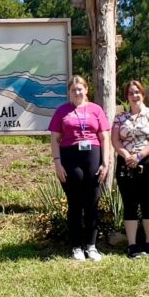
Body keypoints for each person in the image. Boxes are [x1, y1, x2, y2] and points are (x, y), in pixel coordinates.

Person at [48, 76, 112, 261]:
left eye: (80, 89)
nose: (77, 92)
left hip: (92, 155)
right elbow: (54, 138)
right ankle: (76, 246)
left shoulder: (96, 110)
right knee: (75, 204)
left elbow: (105, 137)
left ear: (86, 89)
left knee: (92, 203)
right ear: (69, 92)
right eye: (73, 89)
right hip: (70, 156)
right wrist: (57, 162)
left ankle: (91, 246)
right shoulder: (62, 111)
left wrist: (105, 162)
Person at [111, 80, 149, 258]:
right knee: (130, 203)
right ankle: (133, 245)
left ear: (143, 94)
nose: (134, 96)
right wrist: (127, 156)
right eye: (131, 93)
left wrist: (139, 156)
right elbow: (115, 140)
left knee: (148, 202)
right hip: (126, 162)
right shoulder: (120, 117)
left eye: (137, 92)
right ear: (127, 97)